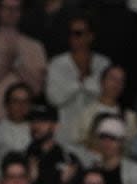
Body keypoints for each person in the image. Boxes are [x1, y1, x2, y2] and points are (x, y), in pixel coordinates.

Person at [45, 15, 110, 145]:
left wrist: (82, 81)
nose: (73, 37)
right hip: (66, 133)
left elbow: (105, 94)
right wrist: (80, 83)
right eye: (71, 33)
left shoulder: (103, 64)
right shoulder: (57, 64)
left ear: (90, 36)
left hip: (96, 134)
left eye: (78, 33)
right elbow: (54, 97)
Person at [78, 114, 137, 184]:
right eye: (103, 137)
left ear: (121, 142)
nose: (107, 143)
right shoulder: (92, 167)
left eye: (113, 138)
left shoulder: (133, 169)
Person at [23, 102, 82, 184]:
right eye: (33, 121)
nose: (36, 125)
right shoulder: (21, 158)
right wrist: (30, 180)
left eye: (43, 121)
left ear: (55, 126)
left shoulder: (68, 159)